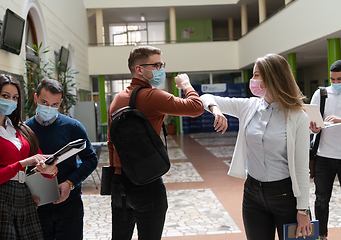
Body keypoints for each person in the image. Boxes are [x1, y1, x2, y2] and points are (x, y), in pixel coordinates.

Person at [200, 53, 312, 240]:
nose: (252, 80)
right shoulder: (248, 107)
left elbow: (301, 167)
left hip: (286, 196)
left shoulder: (298, 116)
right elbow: (206, 97)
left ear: (272, 77)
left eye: (256, 75)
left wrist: (303, 209)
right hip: (252, 194)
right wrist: (216, 110)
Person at [107, 45, 204, 240]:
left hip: (119, 183)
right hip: (146, 183)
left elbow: (111, 143)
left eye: (162, 64)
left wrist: (116, 175)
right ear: (139, 69)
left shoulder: (117, 99)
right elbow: (196, 107)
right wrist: (186, 84)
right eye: (156, 65)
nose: (161, 69)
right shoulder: (151, 96)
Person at [0, 74, 58, 239]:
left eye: (15, 97)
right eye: (5, 96)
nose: (11, 101)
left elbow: (41, 164)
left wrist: (51, 170)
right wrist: (21, 164)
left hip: (24, 196)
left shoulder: (22, 130)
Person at [25, 79, 98, 240]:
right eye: (44, 102)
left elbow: (91, 159)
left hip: (69, 203)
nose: (49, 108)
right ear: (35, 98)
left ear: (61, 103)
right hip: (37, 206)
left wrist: (70, 183)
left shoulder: (73, 127)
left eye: (54, 104)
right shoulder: (25, 130)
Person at [309, 60, 341, 240]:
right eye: (333, 79)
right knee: (321, 200)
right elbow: (309, 123)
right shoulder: (321, 94)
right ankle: (322, 236)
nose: (335, 83)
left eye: (339, 80)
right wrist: (312, 128)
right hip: (323, 156)